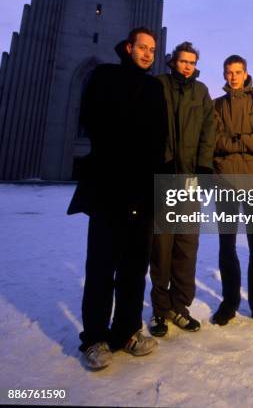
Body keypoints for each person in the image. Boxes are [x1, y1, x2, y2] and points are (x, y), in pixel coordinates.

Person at [67, 27, 167, 369]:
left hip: (141, 190)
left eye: (152, 49)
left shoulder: (155, 88)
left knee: (134, 268)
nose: (148, 53)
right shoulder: (105, 76)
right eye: (142, 47)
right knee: (100, 267)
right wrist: (123, 148)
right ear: (128, 48)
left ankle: (126, 331)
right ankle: (94, 339)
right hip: (109, 187)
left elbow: (158, 138)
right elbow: (92, 119)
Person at [149, 41, 216, 337]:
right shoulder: (158, 85)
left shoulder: (201, 92)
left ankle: (180, 307)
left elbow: (208, 131)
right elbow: (147, 127)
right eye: (183, 61)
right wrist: (157, 161)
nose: (187, 65)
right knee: (161, 247)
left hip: (190, 180)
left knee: (186, 246)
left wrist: (203, 167)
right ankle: (160, 312)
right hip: (163, 177)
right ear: (173, 61)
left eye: (192, 61)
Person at [212, 55, 253, 330]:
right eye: (229, 72)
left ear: (246, 73)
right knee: (227, 247)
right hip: (225, 182)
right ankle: (229, 302)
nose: (234, 76)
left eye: (238, 72)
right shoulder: (216, 106)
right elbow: (214, 140)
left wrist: (233, 142)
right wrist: (240, 143)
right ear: (225, 74)